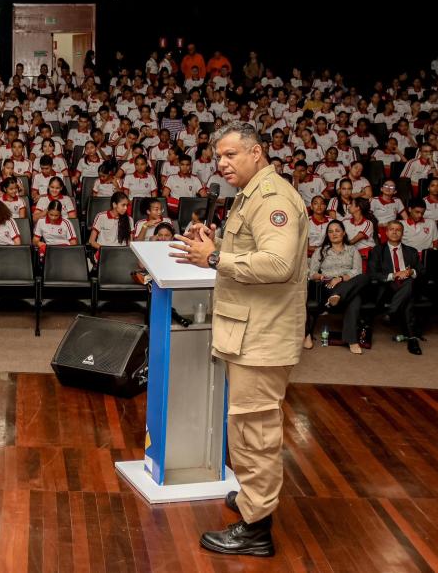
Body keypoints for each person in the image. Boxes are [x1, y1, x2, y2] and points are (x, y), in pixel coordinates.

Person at [170, 121, 308, 558]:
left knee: (255, 433)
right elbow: (249, 255)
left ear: (258, 152)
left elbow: (276, 264)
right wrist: (216, 249)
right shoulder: (251, 195)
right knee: (247, 427)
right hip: (250, 329)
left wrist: (212, 256)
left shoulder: (272, 199)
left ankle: (256, 528)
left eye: (231, 155)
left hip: (262, 335)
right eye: (218, 157)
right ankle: (253, 500)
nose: (222, 163)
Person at [307, 219, 367, 353]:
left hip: (347, 284)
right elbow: (312, 273)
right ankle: (352, 341)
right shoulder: (321, 251)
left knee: (364, 277)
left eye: (337, 230)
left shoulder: (352, 250)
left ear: (344, 233)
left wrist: (340, 278)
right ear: (327, 235)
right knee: (355, 299)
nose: (334, 234)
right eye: (330, 231)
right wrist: (322, 277)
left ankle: (338, 295)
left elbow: (357, 271)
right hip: (327, 285)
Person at [367, 220, 422, 355]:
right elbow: (372, 274)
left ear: (402, 233)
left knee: (408, 283)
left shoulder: (411, 251)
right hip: (388, 289)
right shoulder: (377, 250)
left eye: (398, 230)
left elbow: (422, 271)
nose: (395, 232)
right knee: (407, 294)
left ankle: (391, 313)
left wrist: (411, 272)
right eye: (391, 229)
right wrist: (394, 275)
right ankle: (412, 338)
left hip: (407, 287)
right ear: (386, 232)